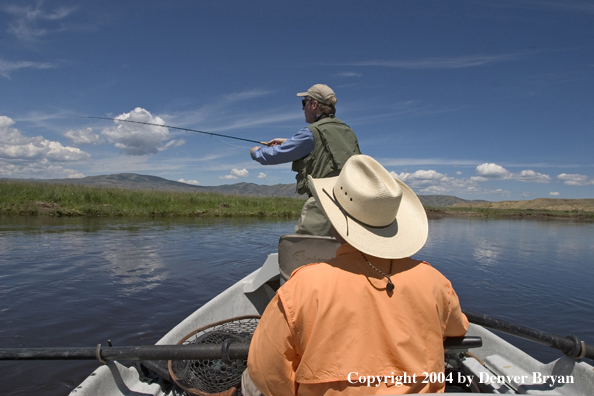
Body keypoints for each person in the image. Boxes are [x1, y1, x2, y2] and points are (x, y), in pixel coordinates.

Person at [245, 155, 469, 395]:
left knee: (249, 382)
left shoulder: (303, 285)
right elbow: (457, 330)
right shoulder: (434, 280)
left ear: (334, 221)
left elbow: (264, 369)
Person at [250, 84, 361, 236]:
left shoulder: (310, 133)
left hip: (323, 206)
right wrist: (289, 142)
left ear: (314, 104)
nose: (303, 108)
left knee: (304, 252)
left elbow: (271, 156)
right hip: (353, 207)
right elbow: (326, 147)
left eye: (304, 103)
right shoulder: (348, 131)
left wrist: (255, 152)